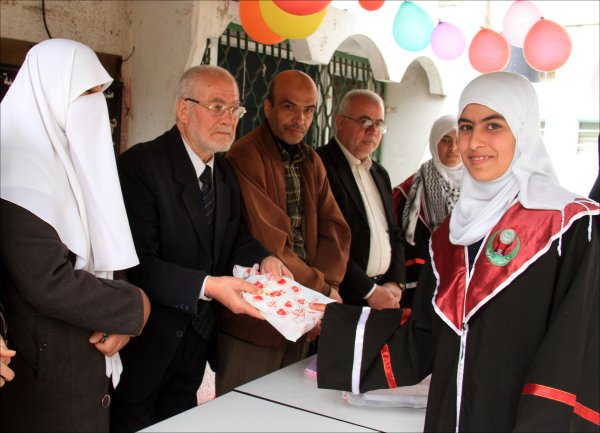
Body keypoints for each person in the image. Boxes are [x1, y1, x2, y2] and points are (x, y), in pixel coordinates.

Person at [314, 72, 599, 432]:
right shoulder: (450, 236)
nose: (474, 142)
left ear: (523, 130)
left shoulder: (571, 227)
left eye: (493, 125)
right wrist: (330, 320)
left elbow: (577, 352)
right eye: (466, 127)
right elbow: (423, 335)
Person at [110, 65, 291, 432]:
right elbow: (138, 264)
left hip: (197, 339)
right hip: (147, 339)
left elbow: (233, 238)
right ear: (183, 109)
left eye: (235, 108)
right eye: (216, 106)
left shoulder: (223, 172)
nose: (228, 119)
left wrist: (265, 258)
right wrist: (208, 286)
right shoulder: (141, 166)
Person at [0, 39, 150, 432]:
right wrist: (134, 305)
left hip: (82, 359)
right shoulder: (17, 169)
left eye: (100, 93)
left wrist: (119, 316)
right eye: (85, 93)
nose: (96, 105)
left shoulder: (68, 159)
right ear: (49, 91)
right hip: (44, 378)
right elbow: (47, 280)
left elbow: (105, 245)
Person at [219, 70, 351, 395]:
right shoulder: (246, 154)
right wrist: (320, 292)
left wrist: (322, 295)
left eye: (309, 110)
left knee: (292, 407)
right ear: (268, 107)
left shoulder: (311, 160)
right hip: (257, 318)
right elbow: (270, 240)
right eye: (290, 107)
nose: (300, 119)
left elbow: (334, 230)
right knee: (243, 411)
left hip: (304, 314)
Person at [316, 90, 405, 310]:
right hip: (341, 298)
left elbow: (393, 233)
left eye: (379, 124)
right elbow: (325, 240)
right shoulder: (319, 165)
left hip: (384, 297)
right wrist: (369, 290)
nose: (373, 131)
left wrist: (395, 282)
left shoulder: (379, 173)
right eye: (364, 121)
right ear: (340, 122)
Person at [393, 115, 462, 306]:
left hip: (464, 284)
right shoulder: (411, 190)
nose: (453, 148)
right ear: (434, 142)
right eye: (445, 140)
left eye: (458, 141)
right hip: (421, 287)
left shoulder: (479, 187)